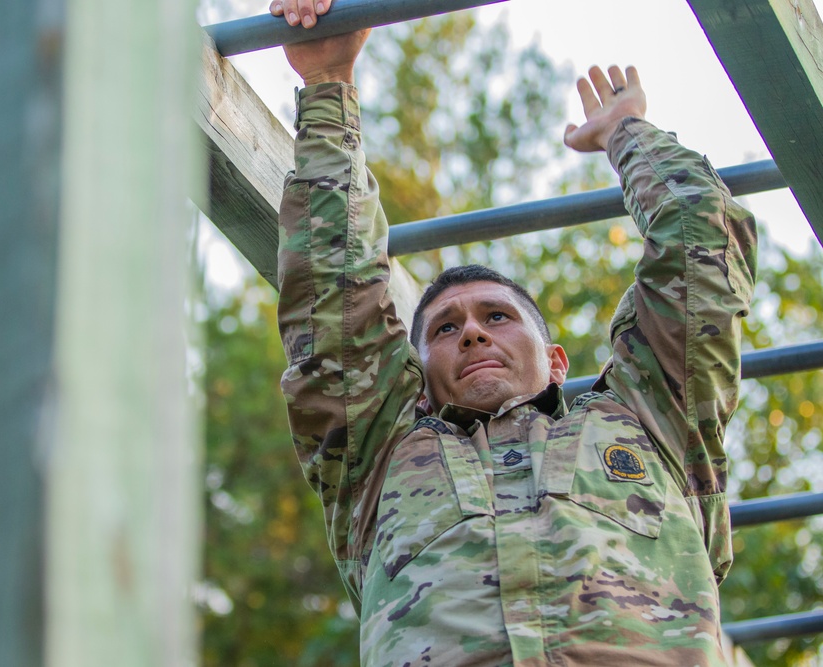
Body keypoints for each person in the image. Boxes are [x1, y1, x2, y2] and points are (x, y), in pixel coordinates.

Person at [270, 1, 758, 664]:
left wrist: (627, 133)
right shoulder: (380, 455)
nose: (472, 332)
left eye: (496, 316)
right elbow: (332, 293)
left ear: (556, 360)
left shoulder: (653, 419)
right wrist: (327, 86)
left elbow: (701, 239)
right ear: (413, 381)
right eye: (445, 327)